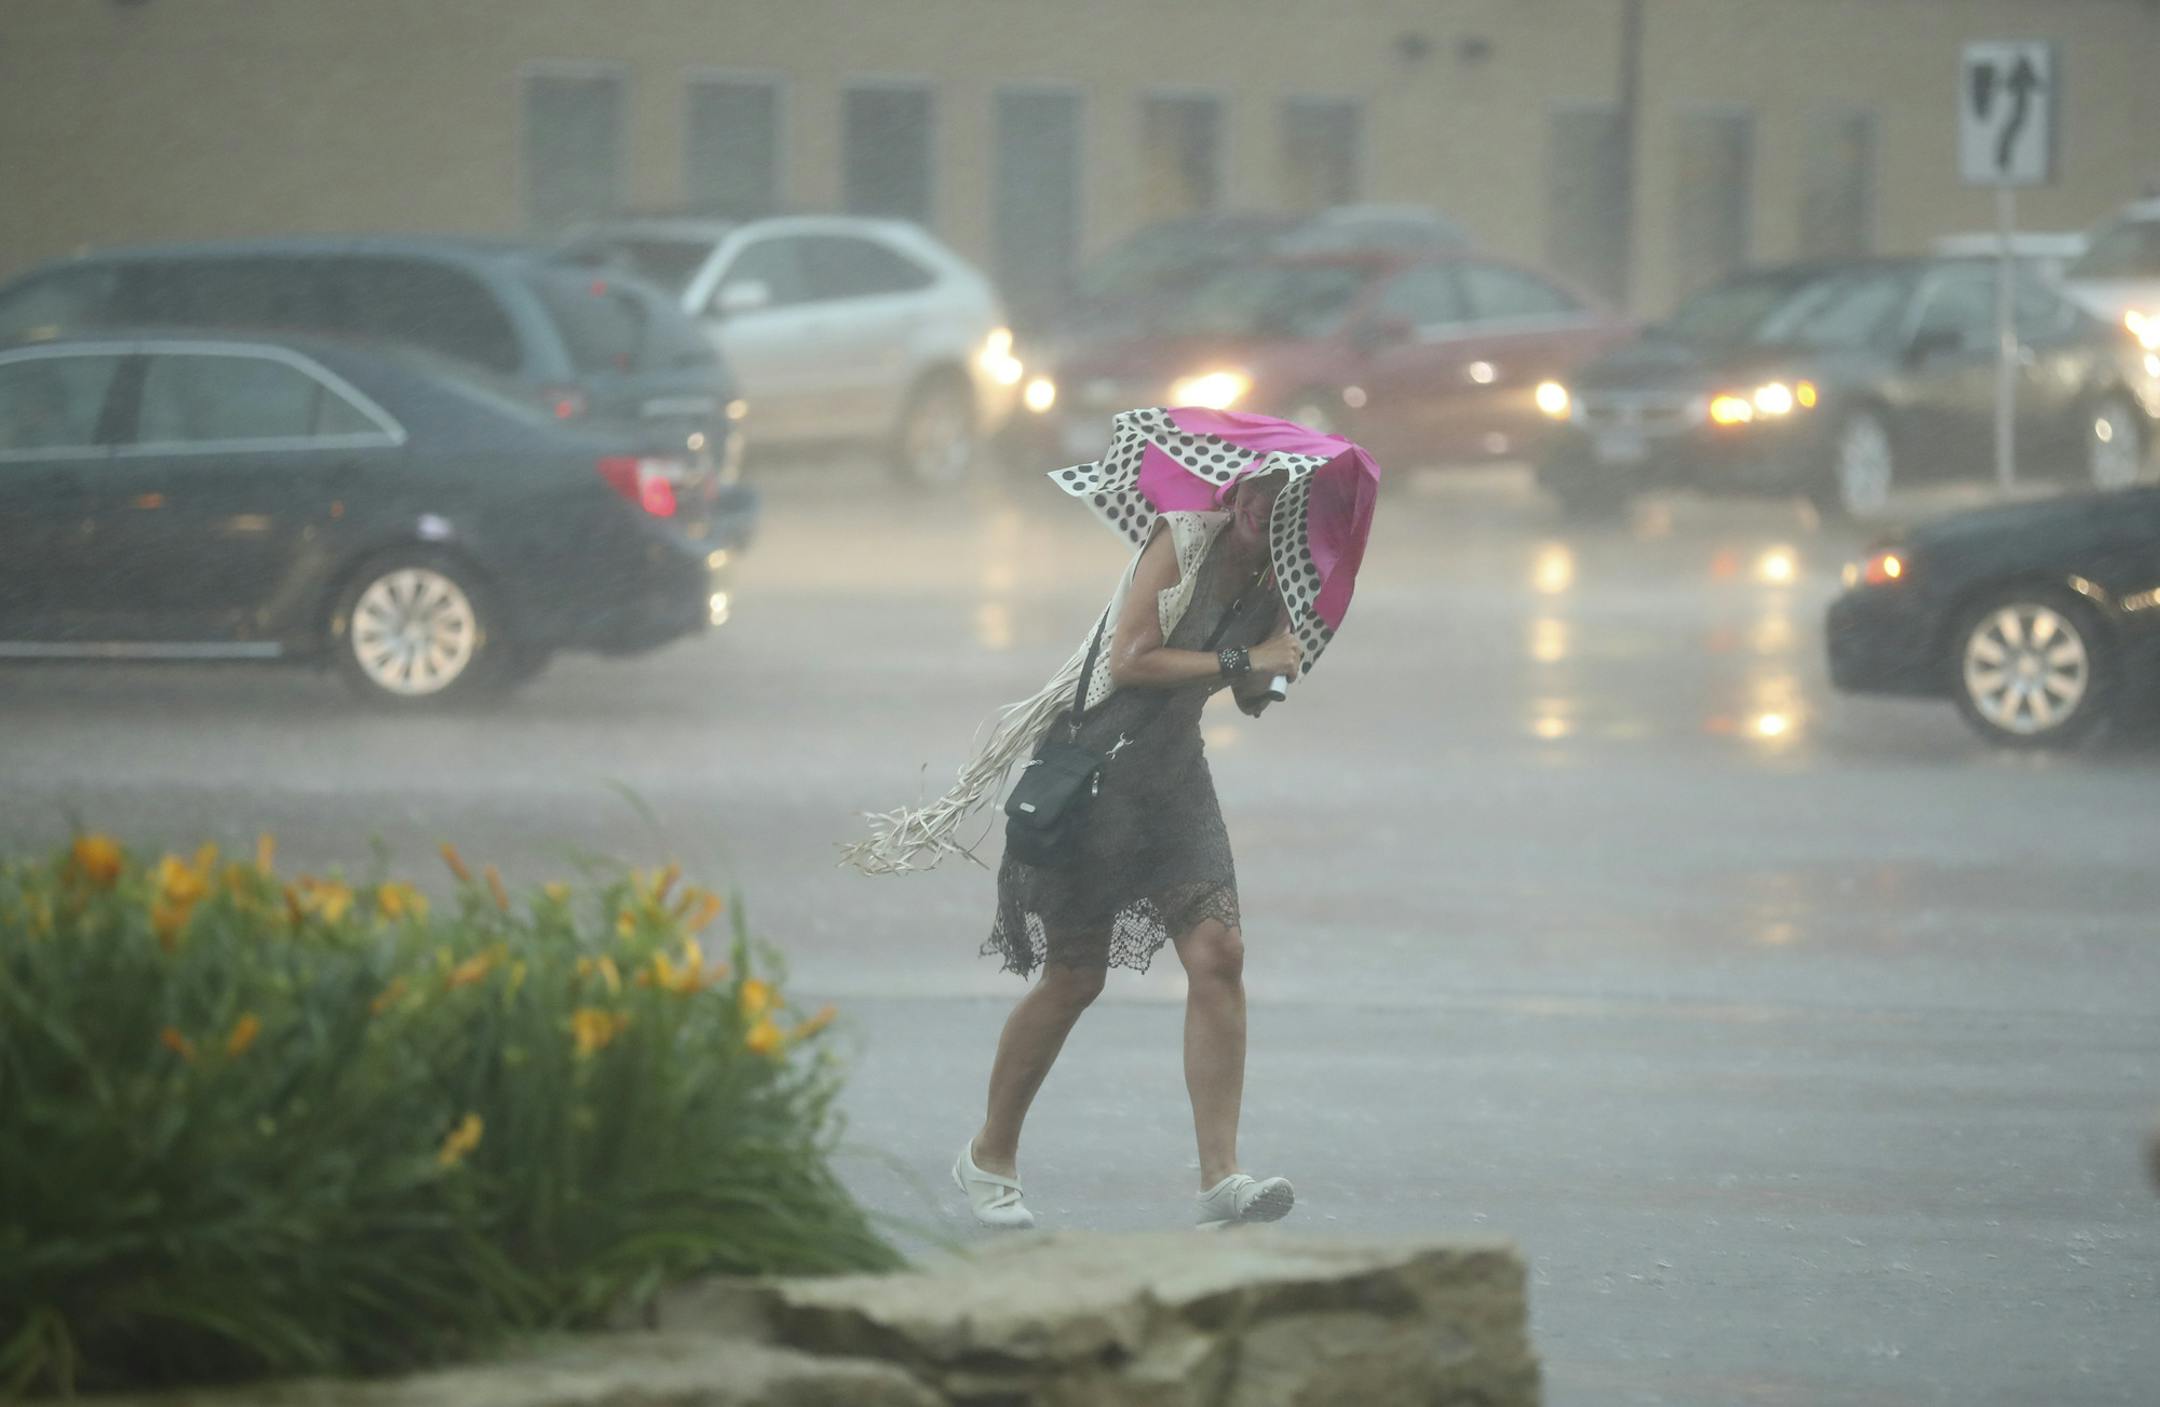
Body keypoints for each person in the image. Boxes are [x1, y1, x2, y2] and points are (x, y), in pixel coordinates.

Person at [953, 470, 1307, 1230]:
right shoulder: (1178, 543)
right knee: (1075, 978)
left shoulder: (1279, 576)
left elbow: (1243, 691)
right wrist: (1248, 661)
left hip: (1175, 778)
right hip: (1099, 772)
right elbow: (1131, 659)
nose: (1257, 506)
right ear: (1233, 492)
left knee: (1220, 952)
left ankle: (1222, 1176)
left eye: (1276, 500)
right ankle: (989, 1154)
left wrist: (1277, 662)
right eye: (1251, 490)